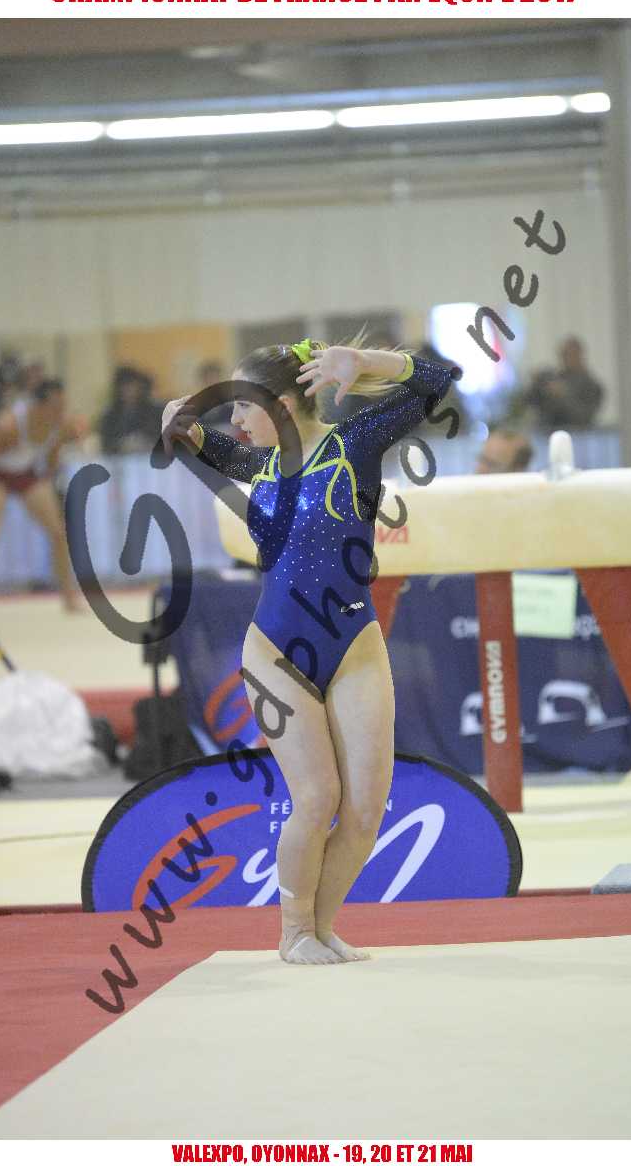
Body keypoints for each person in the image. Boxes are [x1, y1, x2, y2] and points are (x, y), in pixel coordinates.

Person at [162, 338, 460, 966]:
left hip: (354, 643)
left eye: (245, 406)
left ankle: (319, 931)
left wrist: (369, 363)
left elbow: (439, 380)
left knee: (365, 810)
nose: (235, 420)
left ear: (283, 403)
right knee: (317, 796)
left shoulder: (353, 446)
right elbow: (187, 438)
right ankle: (293, 932)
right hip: (275, 651)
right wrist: (175, 421)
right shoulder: (257, 463)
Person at [0, 379, 82, 611]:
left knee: (58, 533)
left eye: (63, 405)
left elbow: (52, 452)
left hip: (27, 473)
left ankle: (69, 598)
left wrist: (48, 479)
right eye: (56, 406)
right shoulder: (9, 426)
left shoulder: (60, 423)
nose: (62, 411)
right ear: (39, 406)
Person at [518, 336, 604, 430]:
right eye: (564, 355)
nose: (566, 359)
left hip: (578, 434)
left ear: (580, 355)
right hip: (547, 432)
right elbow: (530, 402)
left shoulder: (591, 386)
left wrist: (563, 395)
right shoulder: (552, 378)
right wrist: (536, 383)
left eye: (570, 354)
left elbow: (584, 418)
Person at [98, 364, 162, 455]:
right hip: (120, 459)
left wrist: (146, 443)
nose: (128, 391)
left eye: (132, 386)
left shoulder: (155, 412)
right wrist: (122, 446)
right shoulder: (110, 416)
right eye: (124, 387)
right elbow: (106, 444)